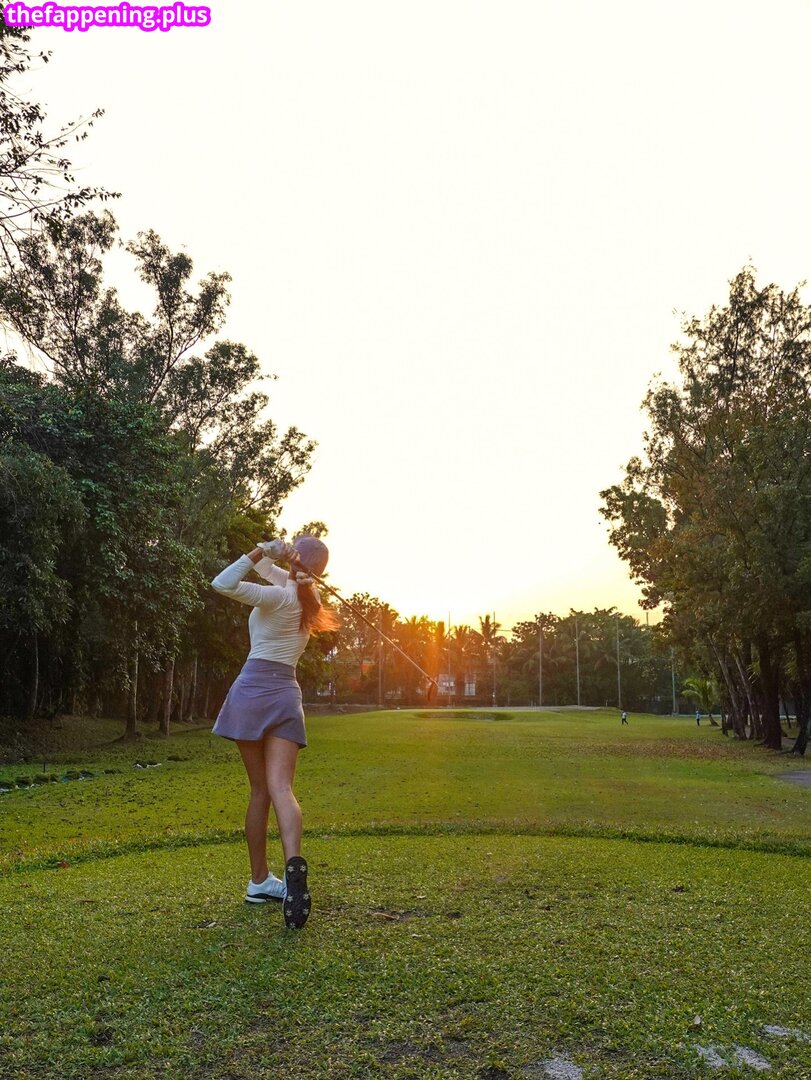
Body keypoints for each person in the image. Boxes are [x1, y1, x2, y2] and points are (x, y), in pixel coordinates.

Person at [210, 535, 338, 929]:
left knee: (259, 791)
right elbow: (278, 574)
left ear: (296, 558)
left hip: (252, 691)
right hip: (285, 694)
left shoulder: (279, 598)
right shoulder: (308, 598)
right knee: (281, 788)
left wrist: (260, 551)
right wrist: (276, 557)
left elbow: (222, 583)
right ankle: (290, 866)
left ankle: (259, 881)